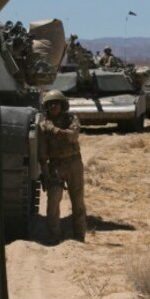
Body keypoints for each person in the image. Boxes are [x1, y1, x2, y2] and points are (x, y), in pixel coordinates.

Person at [38, 90, 88, 242]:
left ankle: (79, 235)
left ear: (63, 105)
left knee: (77, 200)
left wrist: (54, 130)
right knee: (53, 201)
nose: (53, 107)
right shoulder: (43, 126)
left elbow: (73, 136)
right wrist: (45, 173)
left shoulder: (71, 119)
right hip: (56, 165)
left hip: (74, 163)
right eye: (50, 105)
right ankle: (54, 235)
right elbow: (42, 153)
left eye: (56, 104)